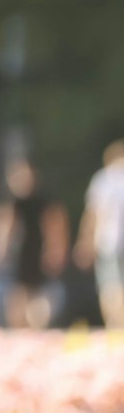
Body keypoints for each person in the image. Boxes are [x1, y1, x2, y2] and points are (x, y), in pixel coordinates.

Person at [0, 156, 69, 329]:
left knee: (38, 295)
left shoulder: (44, 199)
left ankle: (35, 328)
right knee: (18, 293)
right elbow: (2, 224)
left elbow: (54, 224)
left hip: (38, 250)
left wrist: (55, 250)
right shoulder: (10, 199)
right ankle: (19, 329)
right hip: (19, 251)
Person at [77, 140, 124, 329]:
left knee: (110, 285)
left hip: (108, 241)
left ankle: (116, 324)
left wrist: (85, 241)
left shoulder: (103, 180)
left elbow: (93, 214)